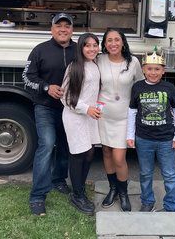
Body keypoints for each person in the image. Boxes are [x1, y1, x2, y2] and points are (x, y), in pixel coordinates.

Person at [22, 13, 76, 216]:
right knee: (46, 145)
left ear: (72, 30)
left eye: (67, 26)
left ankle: (59, 180)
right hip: (45, 106)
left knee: (65, 145)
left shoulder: (79, 49)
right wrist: (46, 87)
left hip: (70, 109)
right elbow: (27, 77)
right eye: (58, 26)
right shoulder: (40, 50)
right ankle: (37, 196)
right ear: (51, 29)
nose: (63, 29)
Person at [126, 50, 175, 212]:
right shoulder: (137, 87)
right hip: (143, 139)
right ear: (143, 69)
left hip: (166, 139)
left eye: (157, 69)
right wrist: (130, 135)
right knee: (145, 173)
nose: (153, 73)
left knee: (170, 174)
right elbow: (132, 112)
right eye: (149, 69)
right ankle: (147, 201)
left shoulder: (169, 88)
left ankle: (171, 205)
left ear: (163, 70)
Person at [97, 29, 144, 211]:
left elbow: (140, 86)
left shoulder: (133, 62)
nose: (113, 43)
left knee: (119, 157)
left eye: (117, 40)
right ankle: (113, 189)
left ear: (123, 42)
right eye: (109, 40)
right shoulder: (99, 60)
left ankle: (123, 193)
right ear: (105, 44)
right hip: (103, 115)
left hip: (124, 116)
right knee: (107, 152)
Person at [61, 33, 101, 215]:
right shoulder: (74, 67)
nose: (92, 49)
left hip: (90, 117)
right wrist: (86, 109)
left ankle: (80, 188)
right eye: (87, 46)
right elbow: (66, 97)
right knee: (78, 154)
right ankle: (76, 195)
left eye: (95, 45)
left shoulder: (94, 64)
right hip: (75, 116)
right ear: (80, 48)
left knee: (89, 152)